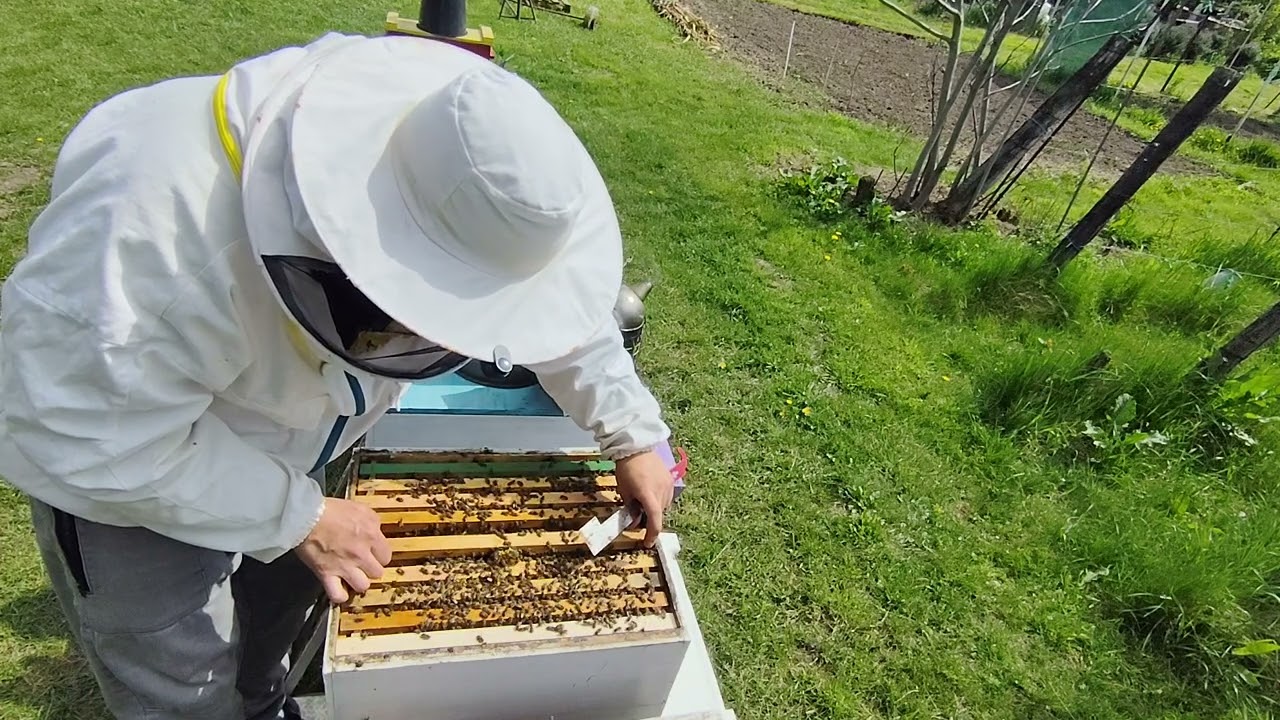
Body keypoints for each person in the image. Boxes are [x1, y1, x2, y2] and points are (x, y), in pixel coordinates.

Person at [0, 31, 674, 720]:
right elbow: (84, 434)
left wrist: (633, 432)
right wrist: (297, 514)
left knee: (280, 613)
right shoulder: (141, 238)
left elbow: (534, 296)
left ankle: (263, 702)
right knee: (182, 684)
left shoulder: (459, 155)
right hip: (128, 475)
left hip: (295, 437)